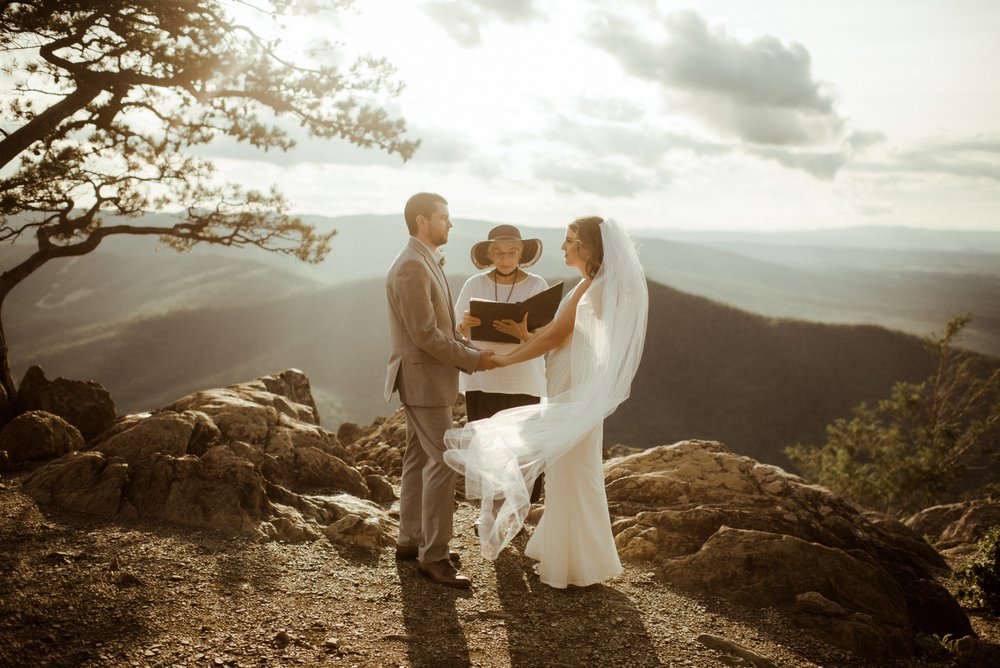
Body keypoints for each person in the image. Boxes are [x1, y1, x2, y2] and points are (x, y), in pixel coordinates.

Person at [444, 216, 648, 589]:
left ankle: (573, 562)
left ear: (586, 247)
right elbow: (568, 335)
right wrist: (525, 337)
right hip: (573, 377)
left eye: (569, 241)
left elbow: (554, 335)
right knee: (572, 465)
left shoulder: (590, 288)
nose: (562, 247)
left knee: (571, 465)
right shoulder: (597, 286)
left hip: (572, 379)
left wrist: (507, 358)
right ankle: (577, 552)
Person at [384, 192, 497, 589]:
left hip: (426, 379)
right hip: (424, 380)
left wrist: (470, 349)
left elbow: (441, 331)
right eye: (444, 217)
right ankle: (434, 557)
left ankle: (410, 540)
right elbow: (425, 335)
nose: (450, 224)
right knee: (444, 461)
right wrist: (472, 359)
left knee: (418, 459)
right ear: (421, 221)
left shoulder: (423, 260)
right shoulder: (411, 267)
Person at [455, 225, 550, 504]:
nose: (506, 258)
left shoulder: (537, 285)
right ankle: (491, 508)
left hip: (523, 379)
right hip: (482, 378)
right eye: (499, 252)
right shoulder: (474, 284)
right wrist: (464, 325)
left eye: (512, 252)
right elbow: (456, 329)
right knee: (486, 448)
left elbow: (548, 335)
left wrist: (524, 334)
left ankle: (520, 511)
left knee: (524, 447)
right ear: (489, 254)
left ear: (522, 253)